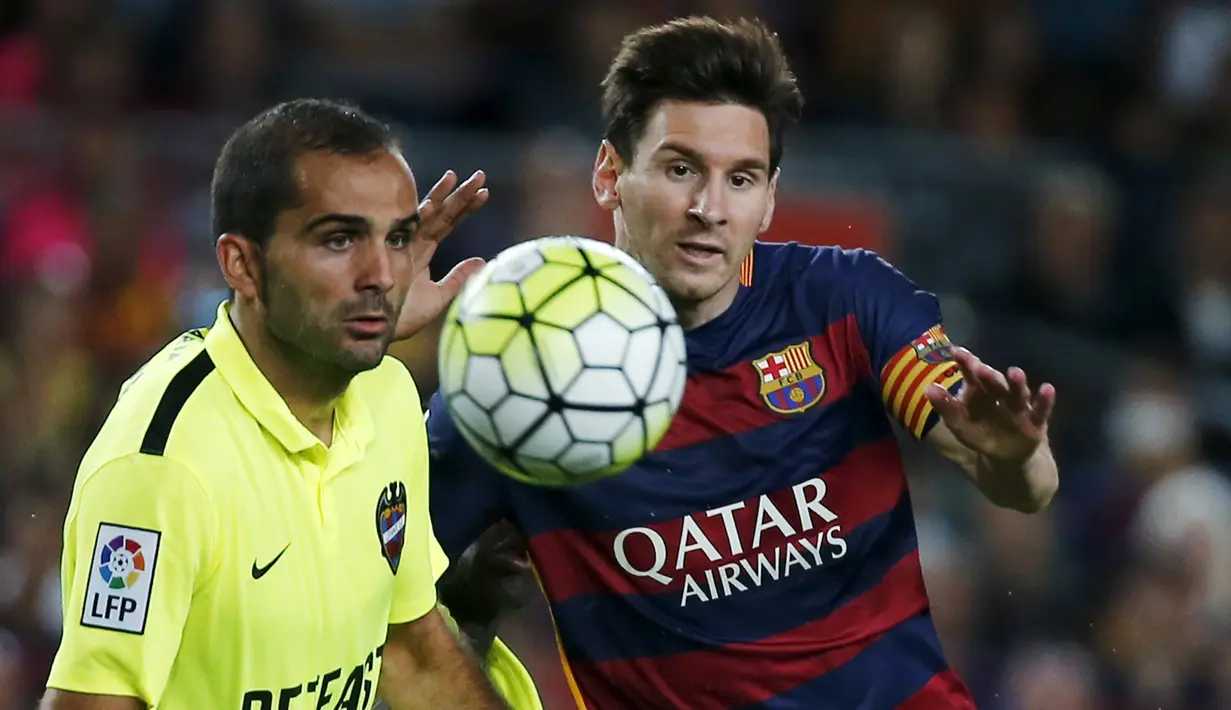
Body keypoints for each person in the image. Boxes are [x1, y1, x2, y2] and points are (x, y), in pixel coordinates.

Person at [427, 16, 1059, 710]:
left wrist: (1012, 456)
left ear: (769, 199)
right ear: (610, 175)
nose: (708, 209)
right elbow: (385, 604)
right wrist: (474, 615)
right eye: (680, 169)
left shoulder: (844, 302)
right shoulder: (515, 377)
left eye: (741, 179)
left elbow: (1024, 488)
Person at [40, 98, 528, 709]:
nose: (380, 273)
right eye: (340, 239)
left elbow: (409, 649)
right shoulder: (162, 465)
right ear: (242, 264)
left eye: (397, 238)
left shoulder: (390, 396)